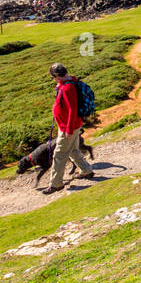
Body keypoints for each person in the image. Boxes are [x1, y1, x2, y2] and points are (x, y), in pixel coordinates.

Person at [44, 62, 95, 193]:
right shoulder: (66, 83)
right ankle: (86, 170)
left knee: (59, 154)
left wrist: (69, 130)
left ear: (57, 75)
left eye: (53, 77)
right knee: (72, 149)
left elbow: (72, 109)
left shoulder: (68, 88)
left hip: (69, 126)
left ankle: (56, 184)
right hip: (68, 125)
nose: (53, 80)